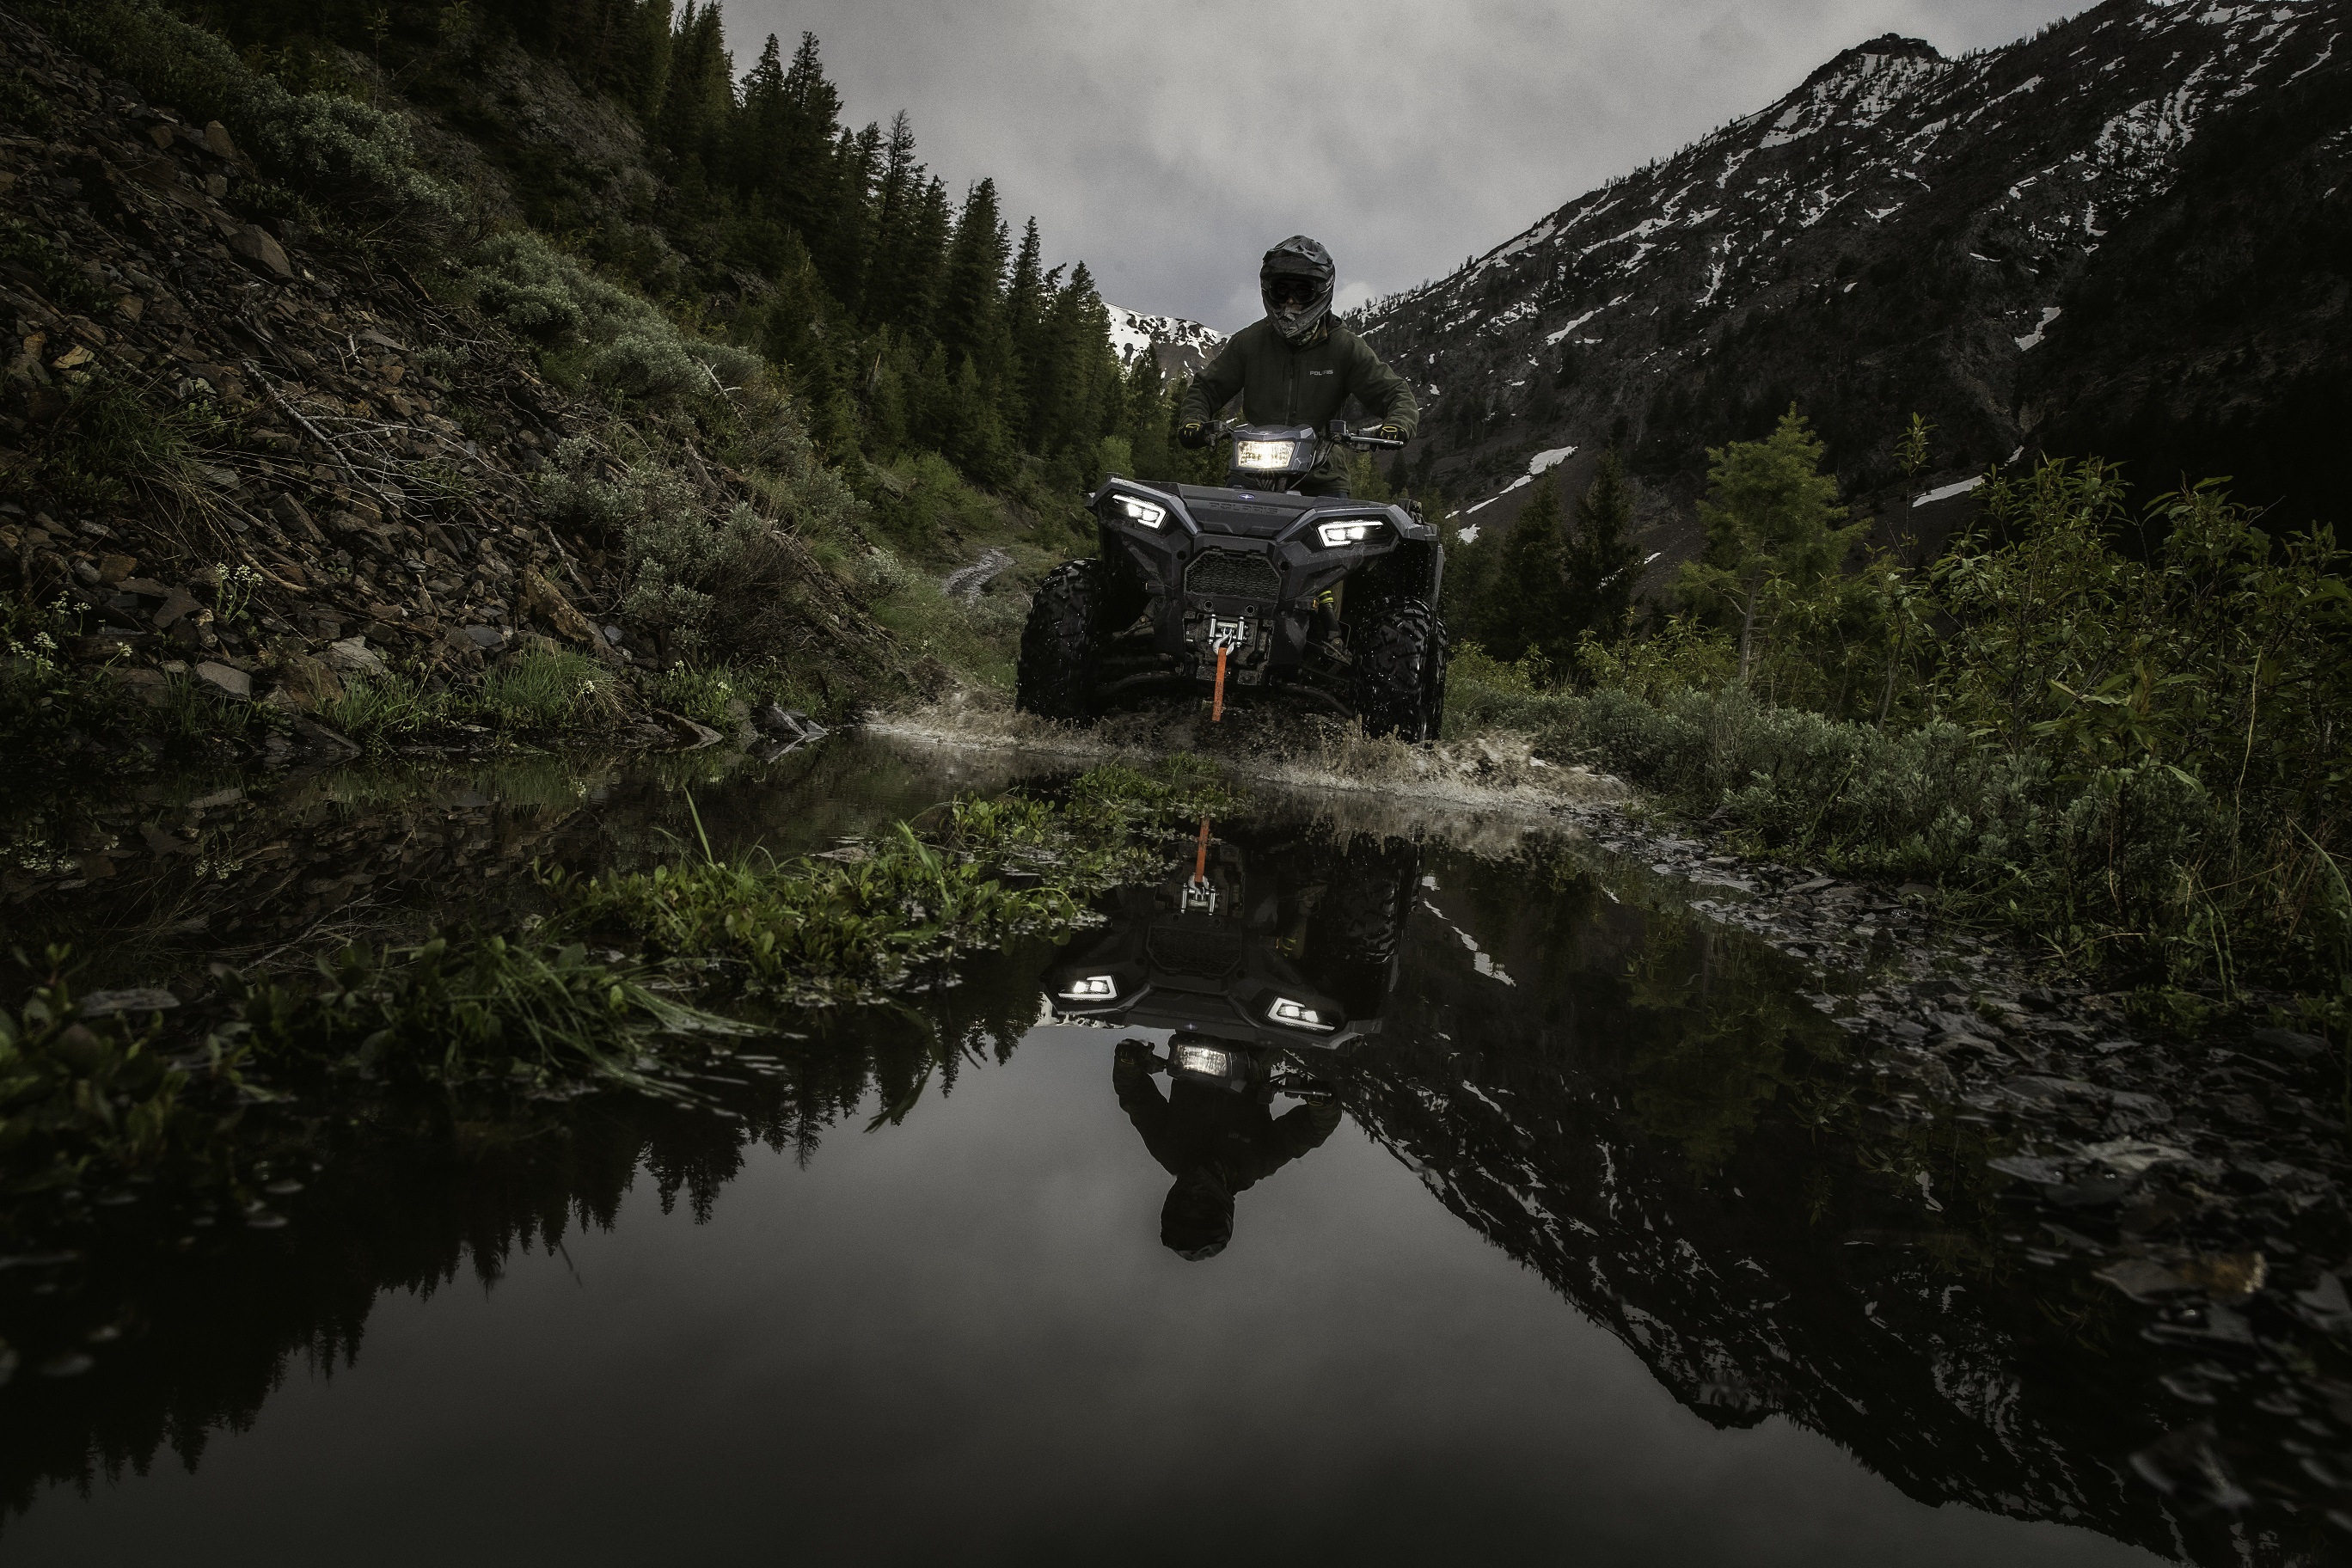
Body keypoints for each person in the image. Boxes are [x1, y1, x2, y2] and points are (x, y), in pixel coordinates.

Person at [1177, 236, 1419, 497]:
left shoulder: (1344, 346)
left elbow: (1395, 393)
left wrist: (1397, 424)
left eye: (1302, 291)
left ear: (1320, 291)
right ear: (1269, 290)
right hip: (1251, 469)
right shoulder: (1250, 341)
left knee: (1343, 535)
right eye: (1282, 290)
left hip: (1322, 473)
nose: (1290, 301)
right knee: (1224, 528)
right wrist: (1193, 421)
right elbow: (1206, 388)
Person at [1113, 1037, 1343, 1261]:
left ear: (1172, 1202)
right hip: (1257, 1045)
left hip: (1196, 1032)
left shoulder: (1170, 1150)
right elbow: (1310, 1131)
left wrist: (1128, 1062)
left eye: (1184, 1206)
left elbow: (1136, 1096)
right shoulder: (1253, 1163)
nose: (1193, 1198)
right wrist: (1323, 1105)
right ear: (1220, 1210)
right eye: (1201, 1209)